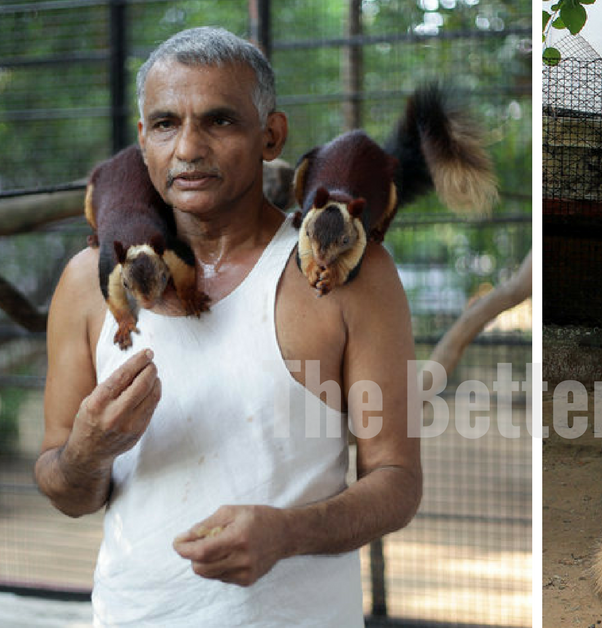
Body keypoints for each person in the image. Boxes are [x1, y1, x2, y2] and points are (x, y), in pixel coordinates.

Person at [35, 27, 421, 627]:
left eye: (219, 122)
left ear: (272, 136)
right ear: (142, 140)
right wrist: (88, 450)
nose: (188, 148)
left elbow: (396, 480)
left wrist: (287, 533)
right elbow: (65, 489)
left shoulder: (351, 277)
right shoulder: (90, 281)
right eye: (165, 124)